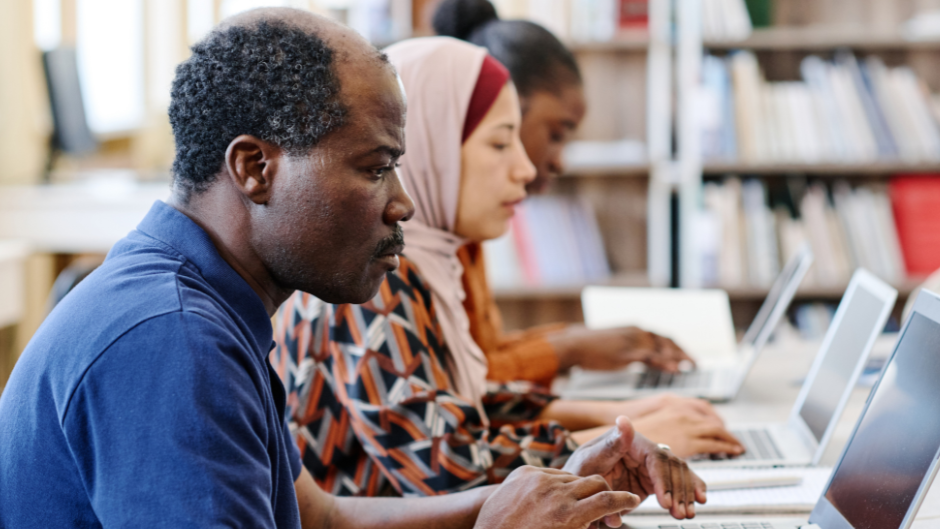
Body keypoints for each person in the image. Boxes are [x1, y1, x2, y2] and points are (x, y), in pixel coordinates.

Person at [0, 8, 704, 528]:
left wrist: (536, 493)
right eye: (373, 168)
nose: (402, 202)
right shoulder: (174, 341)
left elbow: (323, 518)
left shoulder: (213, 304)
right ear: (254, 167)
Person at [272, 35, 737, 503]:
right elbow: (446, 467)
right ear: (428, 146)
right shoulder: (376, 273)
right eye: (500, 143)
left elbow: (464, 405)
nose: (525, 168)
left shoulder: (428, 261)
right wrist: (617, 441)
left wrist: (624, 414)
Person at [432, 0, 744, 456]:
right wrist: (609, 426)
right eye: (555, 133)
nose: (554, 161)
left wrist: (610, 411)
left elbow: (475, 376)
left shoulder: (458, 235)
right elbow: (447, 454)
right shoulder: (403, 255)